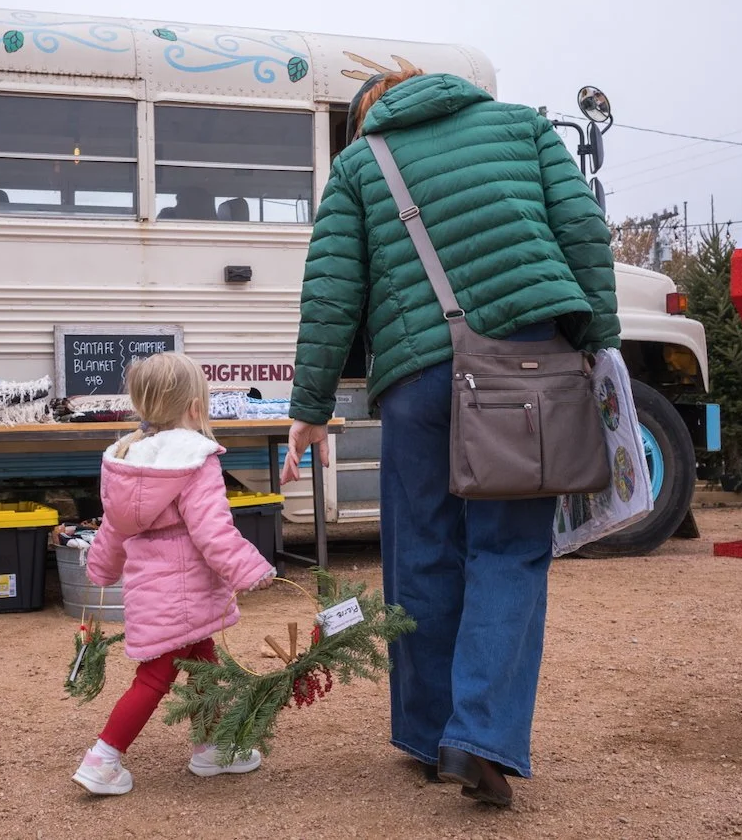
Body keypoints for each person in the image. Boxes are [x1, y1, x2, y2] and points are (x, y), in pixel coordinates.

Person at [281, 69, 619, 807]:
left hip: (418, 379)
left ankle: (430, 732)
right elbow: (585, 230)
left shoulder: (359, 162)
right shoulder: (523, 127)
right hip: (522, 369)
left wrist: (308, 406)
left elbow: (331, 288)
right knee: (507, 547)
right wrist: (597, 338)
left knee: (422, 553)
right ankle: (479, 736)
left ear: (370, 114)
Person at [71, 352, 278, 796]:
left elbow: (113, 527)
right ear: (196, 407)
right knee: (154, 678)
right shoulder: (195, 460)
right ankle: (102, 759)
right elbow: (212, 530)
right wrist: (250, 569)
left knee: (203, 666)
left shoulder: (127, 460)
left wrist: (101, 568)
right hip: (186, 593)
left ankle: (212, 749)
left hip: (156, 595)